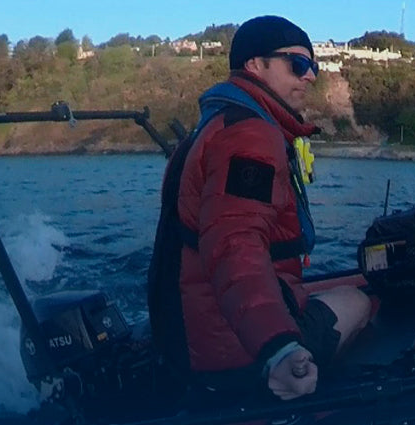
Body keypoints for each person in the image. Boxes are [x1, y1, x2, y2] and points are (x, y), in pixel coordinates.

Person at [147, 15, 374, 403]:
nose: (310, 76)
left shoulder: (213, 126)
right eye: (297, 64)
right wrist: (278, 347)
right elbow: (235, 244)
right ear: (255, 65)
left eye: (313, 67)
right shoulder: (250, 135)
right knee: (361, 300)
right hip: (232, 354)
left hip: (189, 340)